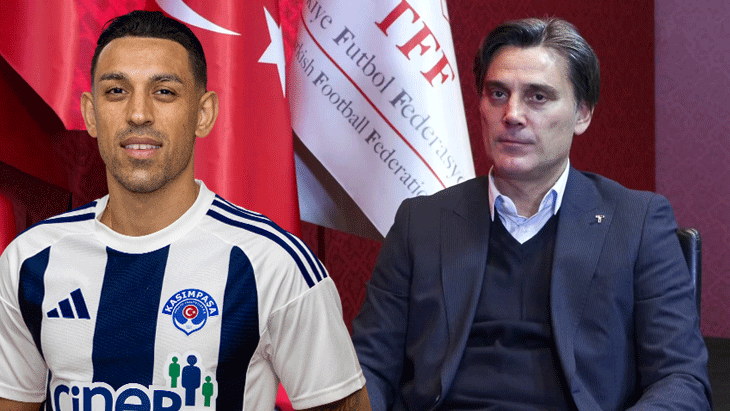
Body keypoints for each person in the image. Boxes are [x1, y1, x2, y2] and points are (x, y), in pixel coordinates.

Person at [0, 10, 370, 411]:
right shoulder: (29, 261)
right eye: (116, 91)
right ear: (91, 114)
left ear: (203, 114)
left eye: (164, 92)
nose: (138, 114)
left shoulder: (272, 263)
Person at [351, 17, 711, 410]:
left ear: (582, 114)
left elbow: (681, 378)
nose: (512, 114)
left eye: (537, 97)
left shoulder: (636, 222)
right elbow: (370, 365)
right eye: (497, 94)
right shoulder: (421, 222)